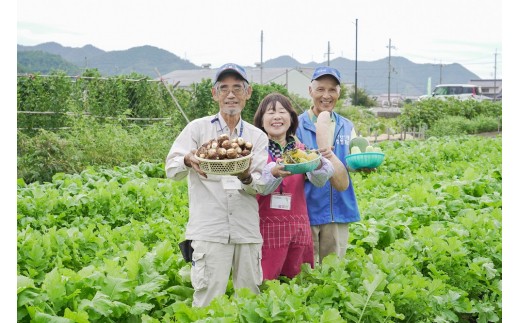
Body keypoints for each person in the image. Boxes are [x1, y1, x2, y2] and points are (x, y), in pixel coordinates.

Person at [165, 63, 275, 307]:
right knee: (207, 300)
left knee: (249, 300)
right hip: (209, 229)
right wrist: (188, 159)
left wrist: (246, 176)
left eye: (238, 88)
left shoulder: (256, 136)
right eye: (223, 88)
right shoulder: (197, 129)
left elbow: (260, 184)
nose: (231, 94)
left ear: (248, 93)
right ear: (214, 94)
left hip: (245, 229)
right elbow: (171, 168)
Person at [252, 93, 334, 280]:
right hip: (264, 226)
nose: (277, 117)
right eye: (270, 112)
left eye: (282, 111)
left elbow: (320, 180)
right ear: (261, 120)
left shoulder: (302, 150)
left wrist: (320, 161)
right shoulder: (255, 151)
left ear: (291, 119)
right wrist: (272, 172)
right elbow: (256, 184)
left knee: (297, 282)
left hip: (298, 226)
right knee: (264, 281)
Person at [295, 66, 361, 264]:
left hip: (339, 210)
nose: (326, 95)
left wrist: (363, 164)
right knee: (306, 273)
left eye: (332, 90)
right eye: (320, 89)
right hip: (307, 210)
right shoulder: (296, 125)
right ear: (310, 91)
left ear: (339, 93)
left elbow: (353, 160)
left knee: (334, 273)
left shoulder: (347, 126)